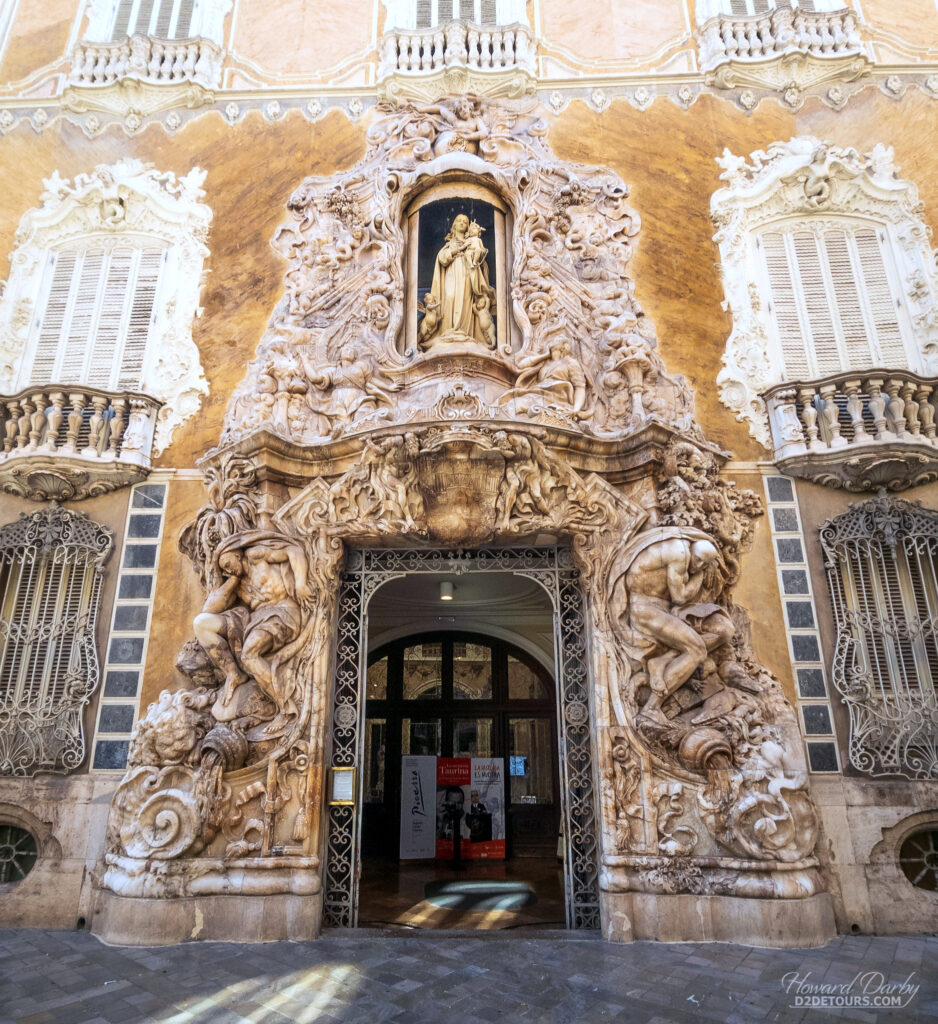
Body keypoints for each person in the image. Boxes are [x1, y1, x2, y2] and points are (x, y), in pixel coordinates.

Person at [193, 531, 312, 717]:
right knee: (201, 623)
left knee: (249, 655)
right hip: (252, 621)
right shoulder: (236, 584)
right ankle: (233, 674)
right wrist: (232, 579)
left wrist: (300, 584)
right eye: (224, 569)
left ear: (236, 554)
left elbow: (294, 550)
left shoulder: (255, 555)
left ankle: (285, 706)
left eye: (227, 564)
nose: (228, 569)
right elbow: (209, 608)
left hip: (282, 613)